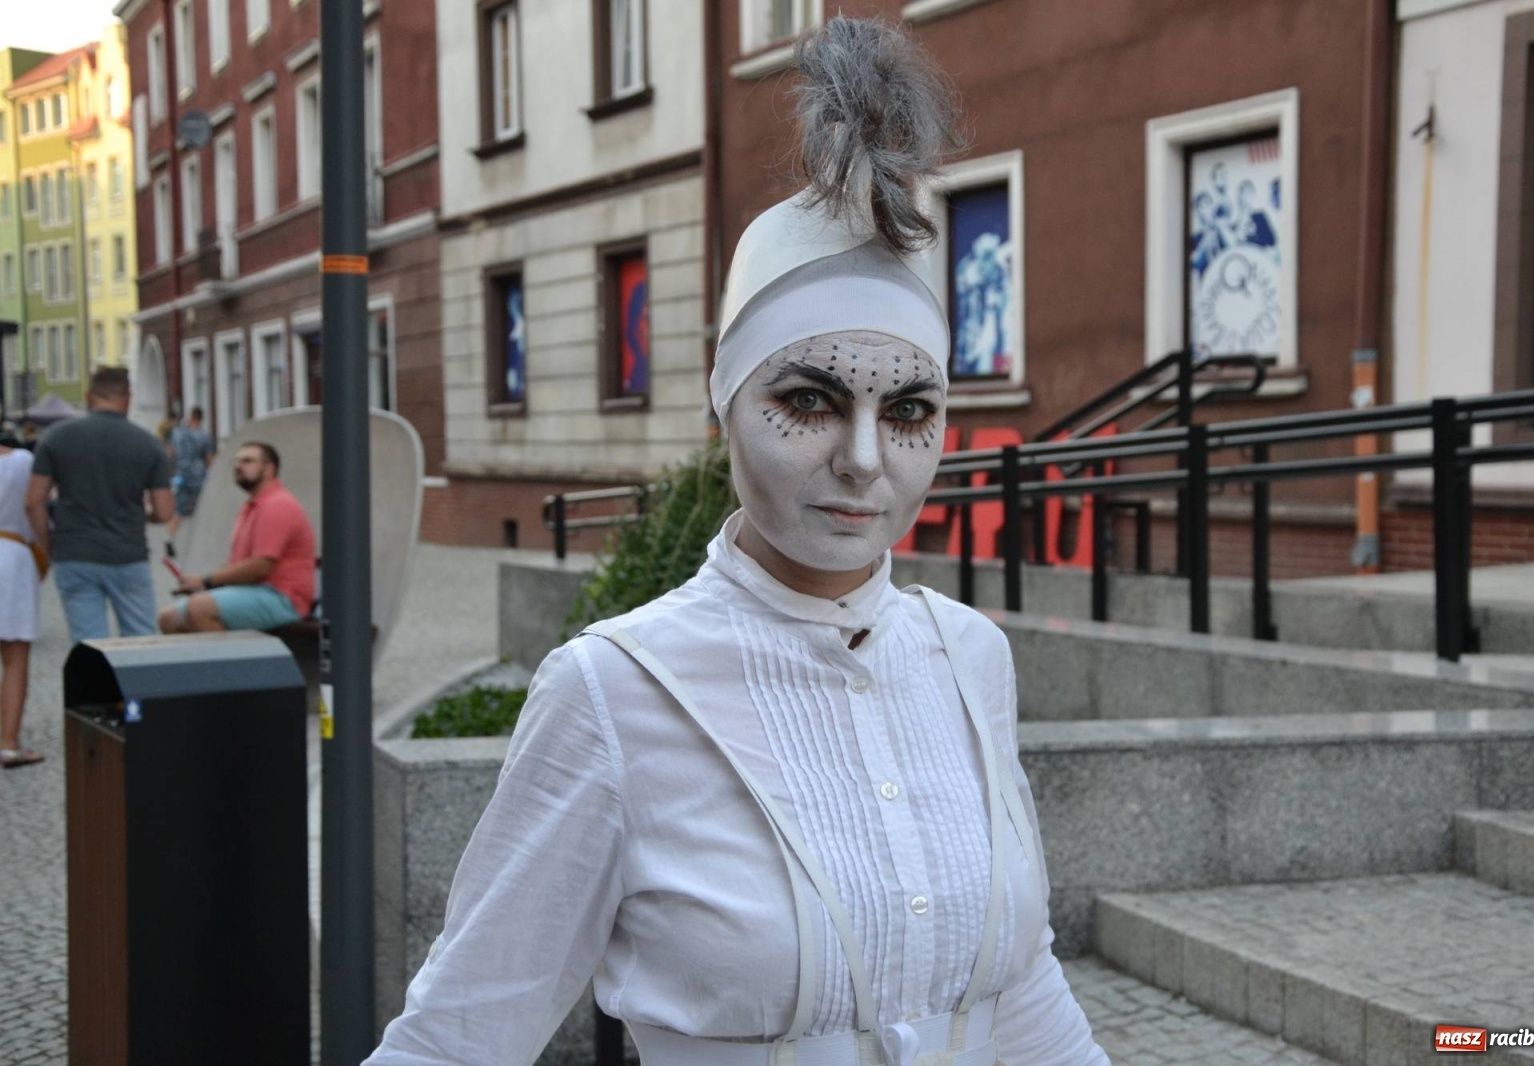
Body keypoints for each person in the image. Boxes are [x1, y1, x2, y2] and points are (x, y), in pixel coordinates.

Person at [368, 17, 1107, 1066]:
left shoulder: (968, 657)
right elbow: (458, 1037)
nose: (865, 460)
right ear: (726, 405)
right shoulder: (614, 693)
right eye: (807, 399)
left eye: (908, 411)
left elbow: (1018, 981)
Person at [26, 366, 173, 645]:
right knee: (140, 643)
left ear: (88, 396)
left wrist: (49, 546)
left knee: (89, 648)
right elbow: (165, 511)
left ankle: (94, 689)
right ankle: (138, 690)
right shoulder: (149, 444)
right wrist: (143, 513)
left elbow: (34, 502)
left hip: (75, 552)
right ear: (128, 397)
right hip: (128, 554)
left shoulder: (56, 438)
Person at [159, 441, 315, 634]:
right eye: (237, 461)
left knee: (199, 609)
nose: (238, 466)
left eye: (248, 461)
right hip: (253, 591)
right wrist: (202, 585)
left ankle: (226, 663)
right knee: (168, 618)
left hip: (282, 596)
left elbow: (261, 565)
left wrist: (206, 581)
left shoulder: (277, 505)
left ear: (269, 468)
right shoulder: (252, 506)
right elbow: (239, 565)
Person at [0, 438, 46, 768]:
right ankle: (9, 743)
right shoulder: (21, 461)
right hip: (12, 555)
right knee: (15, 658)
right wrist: (46, 547)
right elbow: (35, 505)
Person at [166, 406, 216, 549]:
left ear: (190, 417)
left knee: (178, 509)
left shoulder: (177, 434)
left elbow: (170, 453)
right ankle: (201, 541)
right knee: (201, 508)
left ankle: (170, 537)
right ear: (201, 419)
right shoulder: (204, 437)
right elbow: (209, 459)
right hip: (198, 477)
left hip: (180, 476)